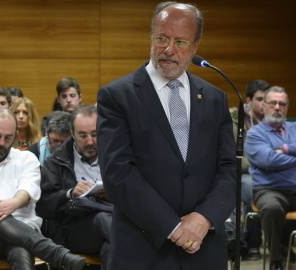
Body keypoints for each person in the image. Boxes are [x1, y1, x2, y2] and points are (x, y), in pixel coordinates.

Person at [96, 2, 236, 269]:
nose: (168, 50)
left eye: (180, 42)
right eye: (162, 39)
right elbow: (118, 174)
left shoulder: (215, 98)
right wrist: (174, 228)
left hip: (204, 249)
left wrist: (205, 218)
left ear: (195, 47)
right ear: (152, 37)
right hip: (143, 249)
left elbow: (228, 168)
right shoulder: (117, 96)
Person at [0, 108, 85, 270]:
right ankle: (57, 255)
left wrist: (13, 203)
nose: (1, 143)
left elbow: (29, 189)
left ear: (15, 135)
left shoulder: (26, 159)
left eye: (8, 138)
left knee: (20, 250)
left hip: (24, 234)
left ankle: (57, 255)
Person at [37, 104, 112, 269]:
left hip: (112, 221)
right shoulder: (55, 162)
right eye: (83, 136)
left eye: (94, 134)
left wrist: (112, 193)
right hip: (73, 228)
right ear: (72, 133)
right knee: (104, 220)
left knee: (111, 248)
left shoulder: (115, 156)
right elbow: (42, 206)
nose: (90, 141)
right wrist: (69, 193)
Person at [245, 86, 296, 270]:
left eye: (281, 104)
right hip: (269, 190)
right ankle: (275, 260)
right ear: (264, 106)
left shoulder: (294, 127)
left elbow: (276, 157)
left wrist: (285, 149)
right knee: (272, 207)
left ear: (287, 107)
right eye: (273, 103)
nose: (277, 107)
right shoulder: (255, 134)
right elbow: (269, 160)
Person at [230, 79, 270, 260]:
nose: (265, 104)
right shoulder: (235, 119)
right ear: (248, 100)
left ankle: (284, 244)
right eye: (260, 99)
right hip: (244, 173)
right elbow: (232, 155)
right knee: (253, 189)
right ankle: (253, 244)